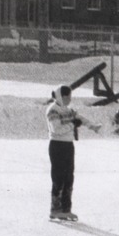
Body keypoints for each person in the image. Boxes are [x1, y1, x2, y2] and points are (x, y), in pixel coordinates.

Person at [45, 85, 100, 221]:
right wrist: (73, 125)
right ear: (60, 97)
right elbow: (57, 129)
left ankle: (66, 209)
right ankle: (55, 209)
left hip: (69, 145)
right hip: (57, 145)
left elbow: (80, 118)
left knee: (69, 177)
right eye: (67, 97)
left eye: (70, 96)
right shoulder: (52, 110)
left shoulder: (69, 110)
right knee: (58, 177)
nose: (69, 99)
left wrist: (92, 126)